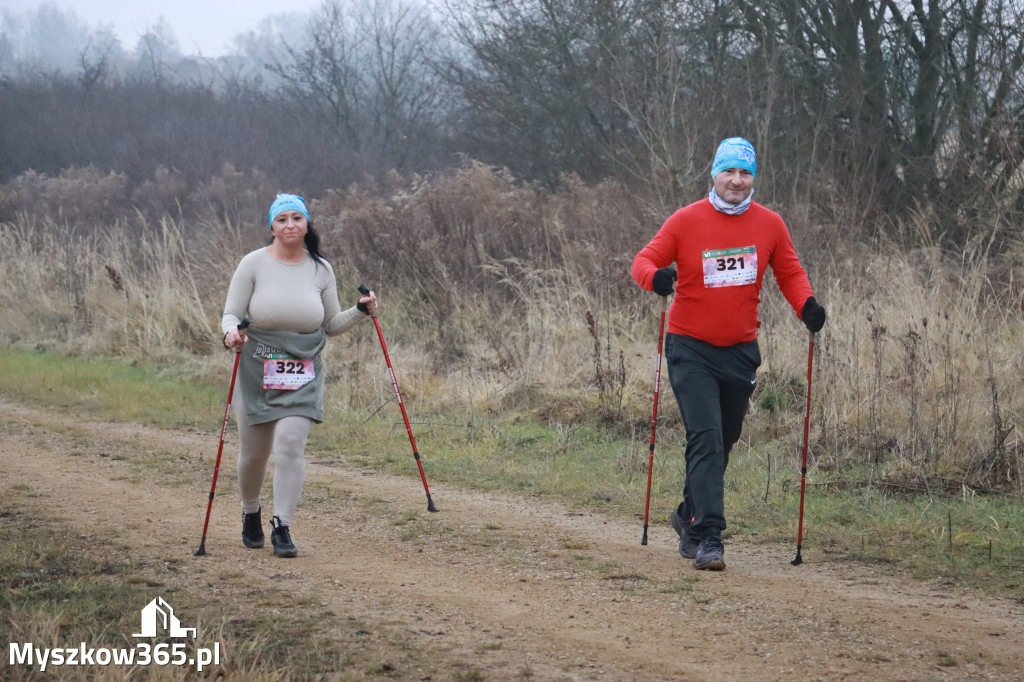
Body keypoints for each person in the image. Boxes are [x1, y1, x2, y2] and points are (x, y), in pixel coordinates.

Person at [631, 138, 826, 571]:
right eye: (729, 172)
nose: (736, 181)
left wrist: (806, 307)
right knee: (706, 436)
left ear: (752, 178)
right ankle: (709, 536)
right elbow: (643, 261)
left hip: (739, 351)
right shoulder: (686, 221)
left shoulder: (770, 224)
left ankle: (687, 515)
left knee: (724, 439)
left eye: (745, 173)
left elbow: (790, 272)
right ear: (714, 175)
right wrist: (657, 279)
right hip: (689, 347)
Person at [221, 193, 377, 558]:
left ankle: (283, 526)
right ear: (272, 226)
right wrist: (231, 333)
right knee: (254, 454)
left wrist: (359, 311)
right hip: (256, 367)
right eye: (282, 219)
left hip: (303, 368)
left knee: (291, 444)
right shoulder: (253, 264)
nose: (290, 225)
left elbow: (330, 324)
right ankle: (250, 513)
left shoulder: (321, 268)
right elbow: (231, 313)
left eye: (297, 218)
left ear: (307, 224)